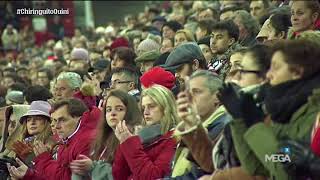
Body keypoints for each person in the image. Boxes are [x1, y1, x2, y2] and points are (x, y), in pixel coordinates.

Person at [219, 39, 320, 179]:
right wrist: (241, 121)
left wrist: (256, 126)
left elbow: (286, 168)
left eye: (276, 67)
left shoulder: (313, 113)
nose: (268, 74)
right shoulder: (283, 110)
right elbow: (260, 167)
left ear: (297, 72)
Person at [8, 98, 100, 180]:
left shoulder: (87, 141)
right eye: (55, 120)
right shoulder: (66, 140)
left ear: (79, 118)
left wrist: (44, 160)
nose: (56, 126)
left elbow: (68, 177)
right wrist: (29, 175)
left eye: (62, 120)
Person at [70, 90, 142, 180]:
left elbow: (123, 174)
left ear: (130, 112)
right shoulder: (102, 138)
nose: (113, 113)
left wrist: (93, 167)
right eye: (108, 110)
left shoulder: (135, 138)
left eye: (119, 109)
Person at [172, 70, 231, 179]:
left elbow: (198, 175)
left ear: (217, 97)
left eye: (196, 92)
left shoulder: (222, 127)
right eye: (188, 93)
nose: (189, 98)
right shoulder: (194, 125)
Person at [112, 85, 178, 179]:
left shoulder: (174, 138)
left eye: (151, 106)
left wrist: (129, 144)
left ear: (166, 108)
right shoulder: (140, 135)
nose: (146, 112)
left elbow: (153, 176)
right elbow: (118, 175)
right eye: (143, 108)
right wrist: (124, 143)